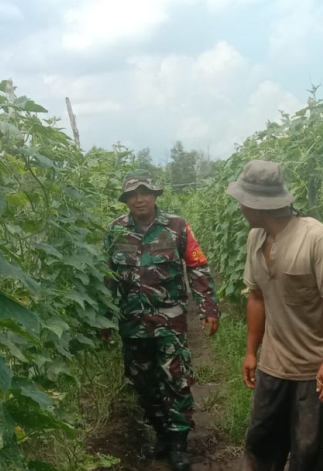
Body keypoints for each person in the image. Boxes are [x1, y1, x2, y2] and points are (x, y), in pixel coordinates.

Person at [226, 160, 323, 471]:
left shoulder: (316, 238)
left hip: (312, 371)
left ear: (258, 205)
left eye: (242, 201)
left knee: (309, 451)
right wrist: (252, 352)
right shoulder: (256, 238)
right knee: (261, 444)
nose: (239, 207)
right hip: (272, 365)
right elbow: (256, 296)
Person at [104, 169, 220, 471]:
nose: (138, 199)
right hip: (132, 322)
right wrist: (103, 319)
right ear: (126, 199)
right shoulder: (115, 231)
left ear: (155, 195)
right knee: (142, 381)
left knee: (175, 378)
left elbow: (198, 266)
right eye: (132, 195)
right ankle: (161, 432)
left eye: (144, 192)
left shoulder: (177, 227)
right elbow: (107, 279)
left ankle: (179, 442)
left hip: (170, 320)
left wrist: (208, 308)